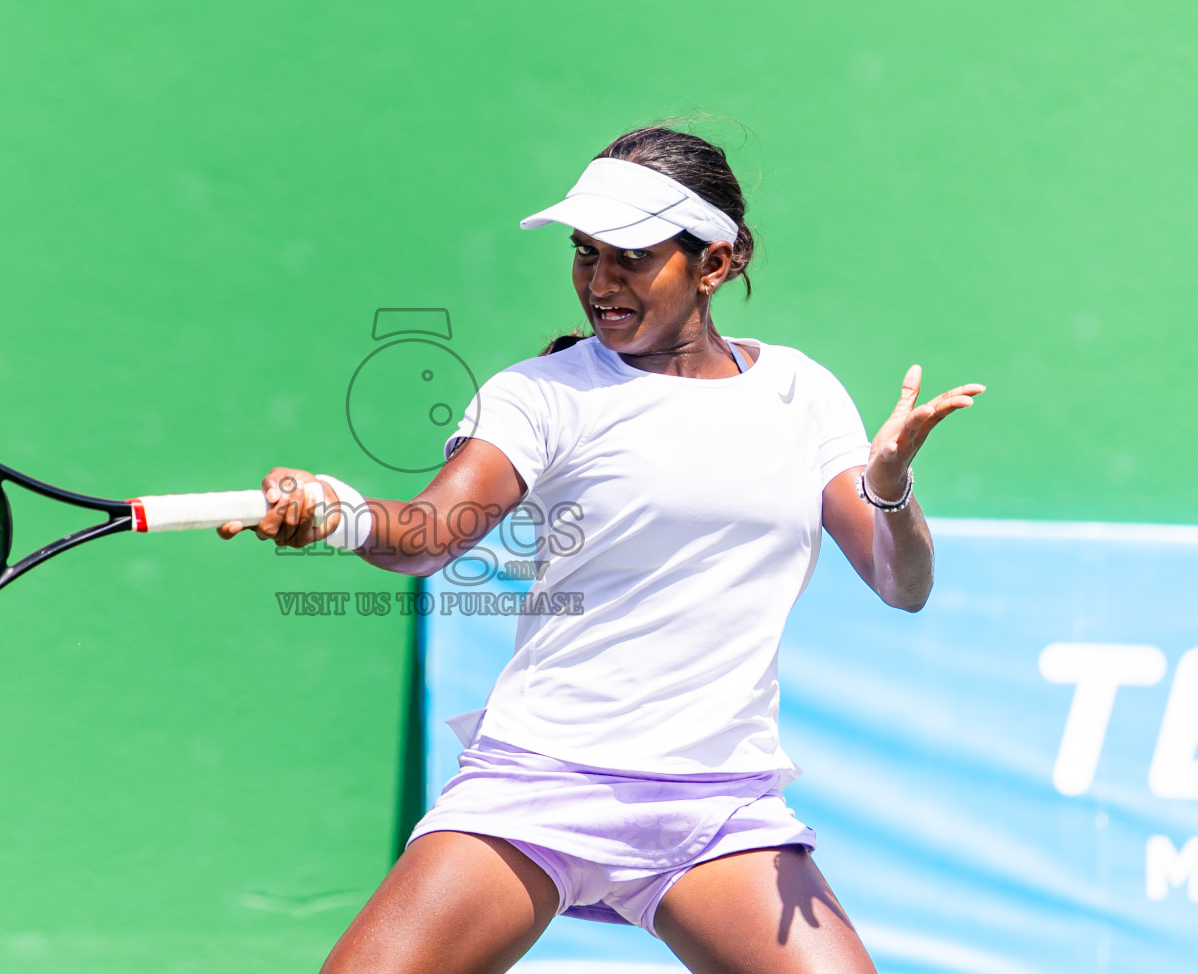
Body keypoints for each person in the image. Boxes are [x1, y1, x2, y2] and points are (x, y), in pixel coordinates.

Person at [219, 126, 984, 974]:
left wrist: (890, 486)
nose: (601, 281)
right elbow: (425, 537)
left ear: (716, 263)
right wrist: (341, 514)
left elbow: (899, 581)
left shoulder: (801, 392)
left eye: (632, 255)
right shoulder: (542, 396)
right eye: (586, 254)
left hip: (716, 808)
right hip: (540, 783)